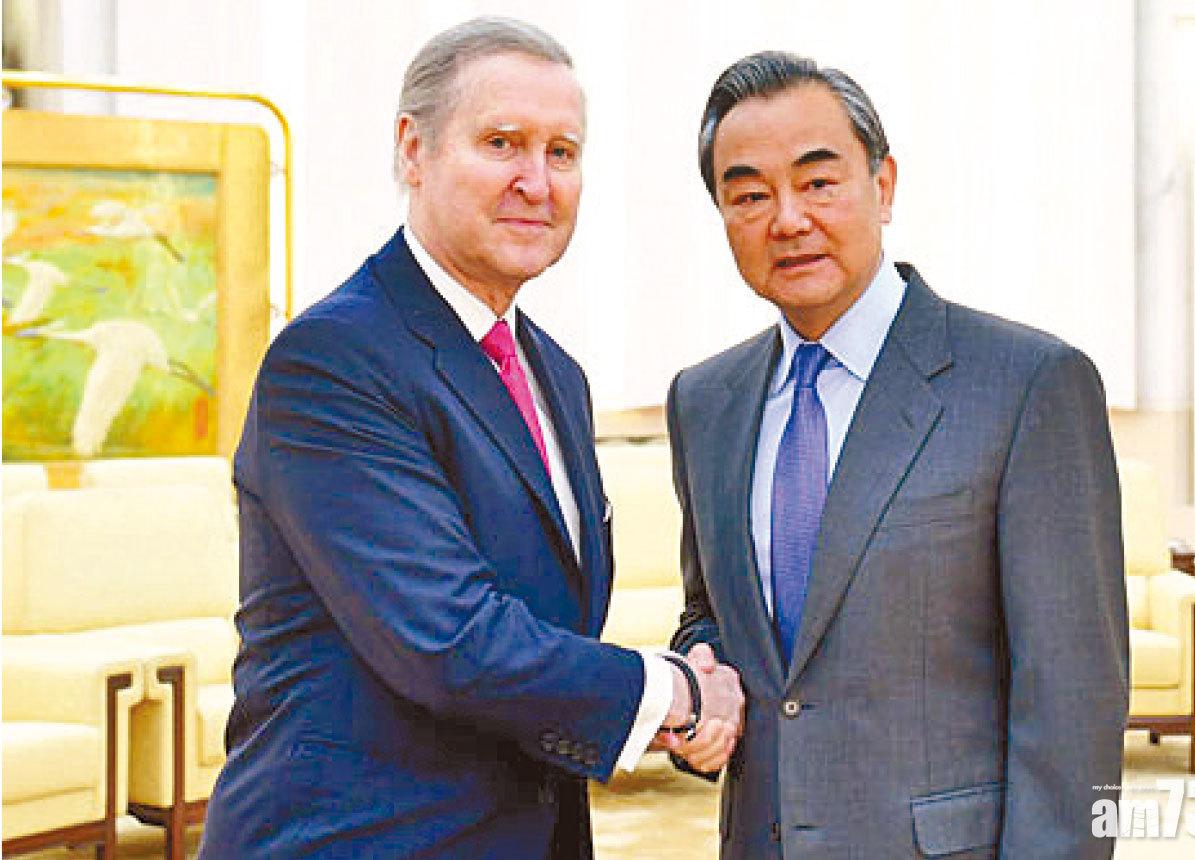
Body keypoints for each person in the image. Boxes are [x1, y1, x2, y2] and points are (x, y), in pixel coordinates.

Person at [199, 17, 741, 859]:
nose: (537, 181)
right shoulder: (334, 359)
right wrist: (670, 692)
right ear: (413, 149)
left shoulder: (555, 375)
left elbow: (548, 623)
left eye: (563, 152)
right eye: (502, 143)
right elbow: (450, 640)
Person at [666, 51, 1128, 859]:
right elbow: (711, 614)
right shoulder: (705, 402)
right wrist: (700, 681)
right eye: (750, 195)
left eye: (819, 182)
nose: (788, 219)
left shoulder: (1027, 385)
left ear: (883, 186)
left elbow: (1075, 700)